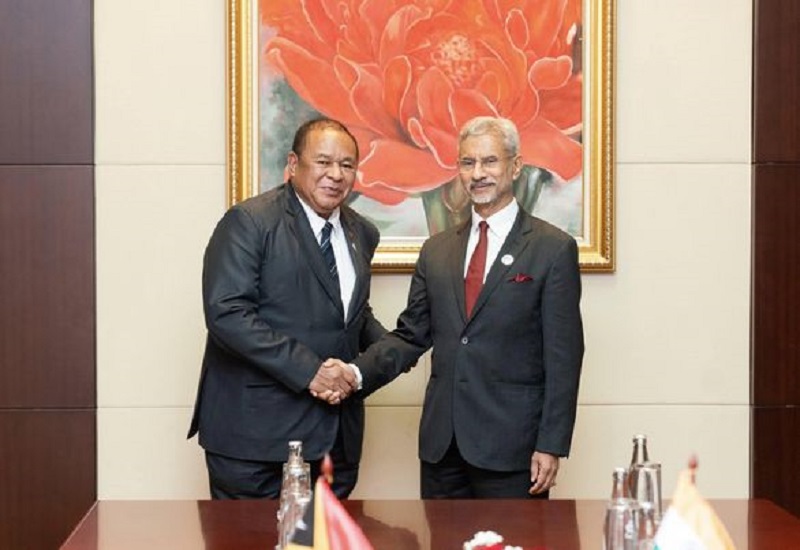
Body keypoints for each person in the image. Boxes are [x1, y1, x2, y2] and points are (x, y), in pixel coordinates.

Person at [330, 116, 584, 499]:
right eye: (468, 163)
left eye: (489, 162)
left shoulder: (552, 249)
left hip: (512, 450)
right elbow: (411, 335)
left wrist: (551, 444)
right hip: (441, 449)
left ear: (515, 166)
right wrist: (353, 373)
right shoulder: (437, 250)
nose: (478, 173)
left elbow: (564, 356)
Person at [188, 118, 386, 499]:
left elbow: (349, 317)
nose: (335, 175)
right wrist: (311, 371)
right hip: (255, 440)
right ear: (293, 164)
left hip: (334, 440)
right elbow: (227, 312)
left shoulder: (361, 232)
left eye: (347, 165)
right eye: (323, 162)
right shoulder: (249, 222)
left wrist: (399, 349)